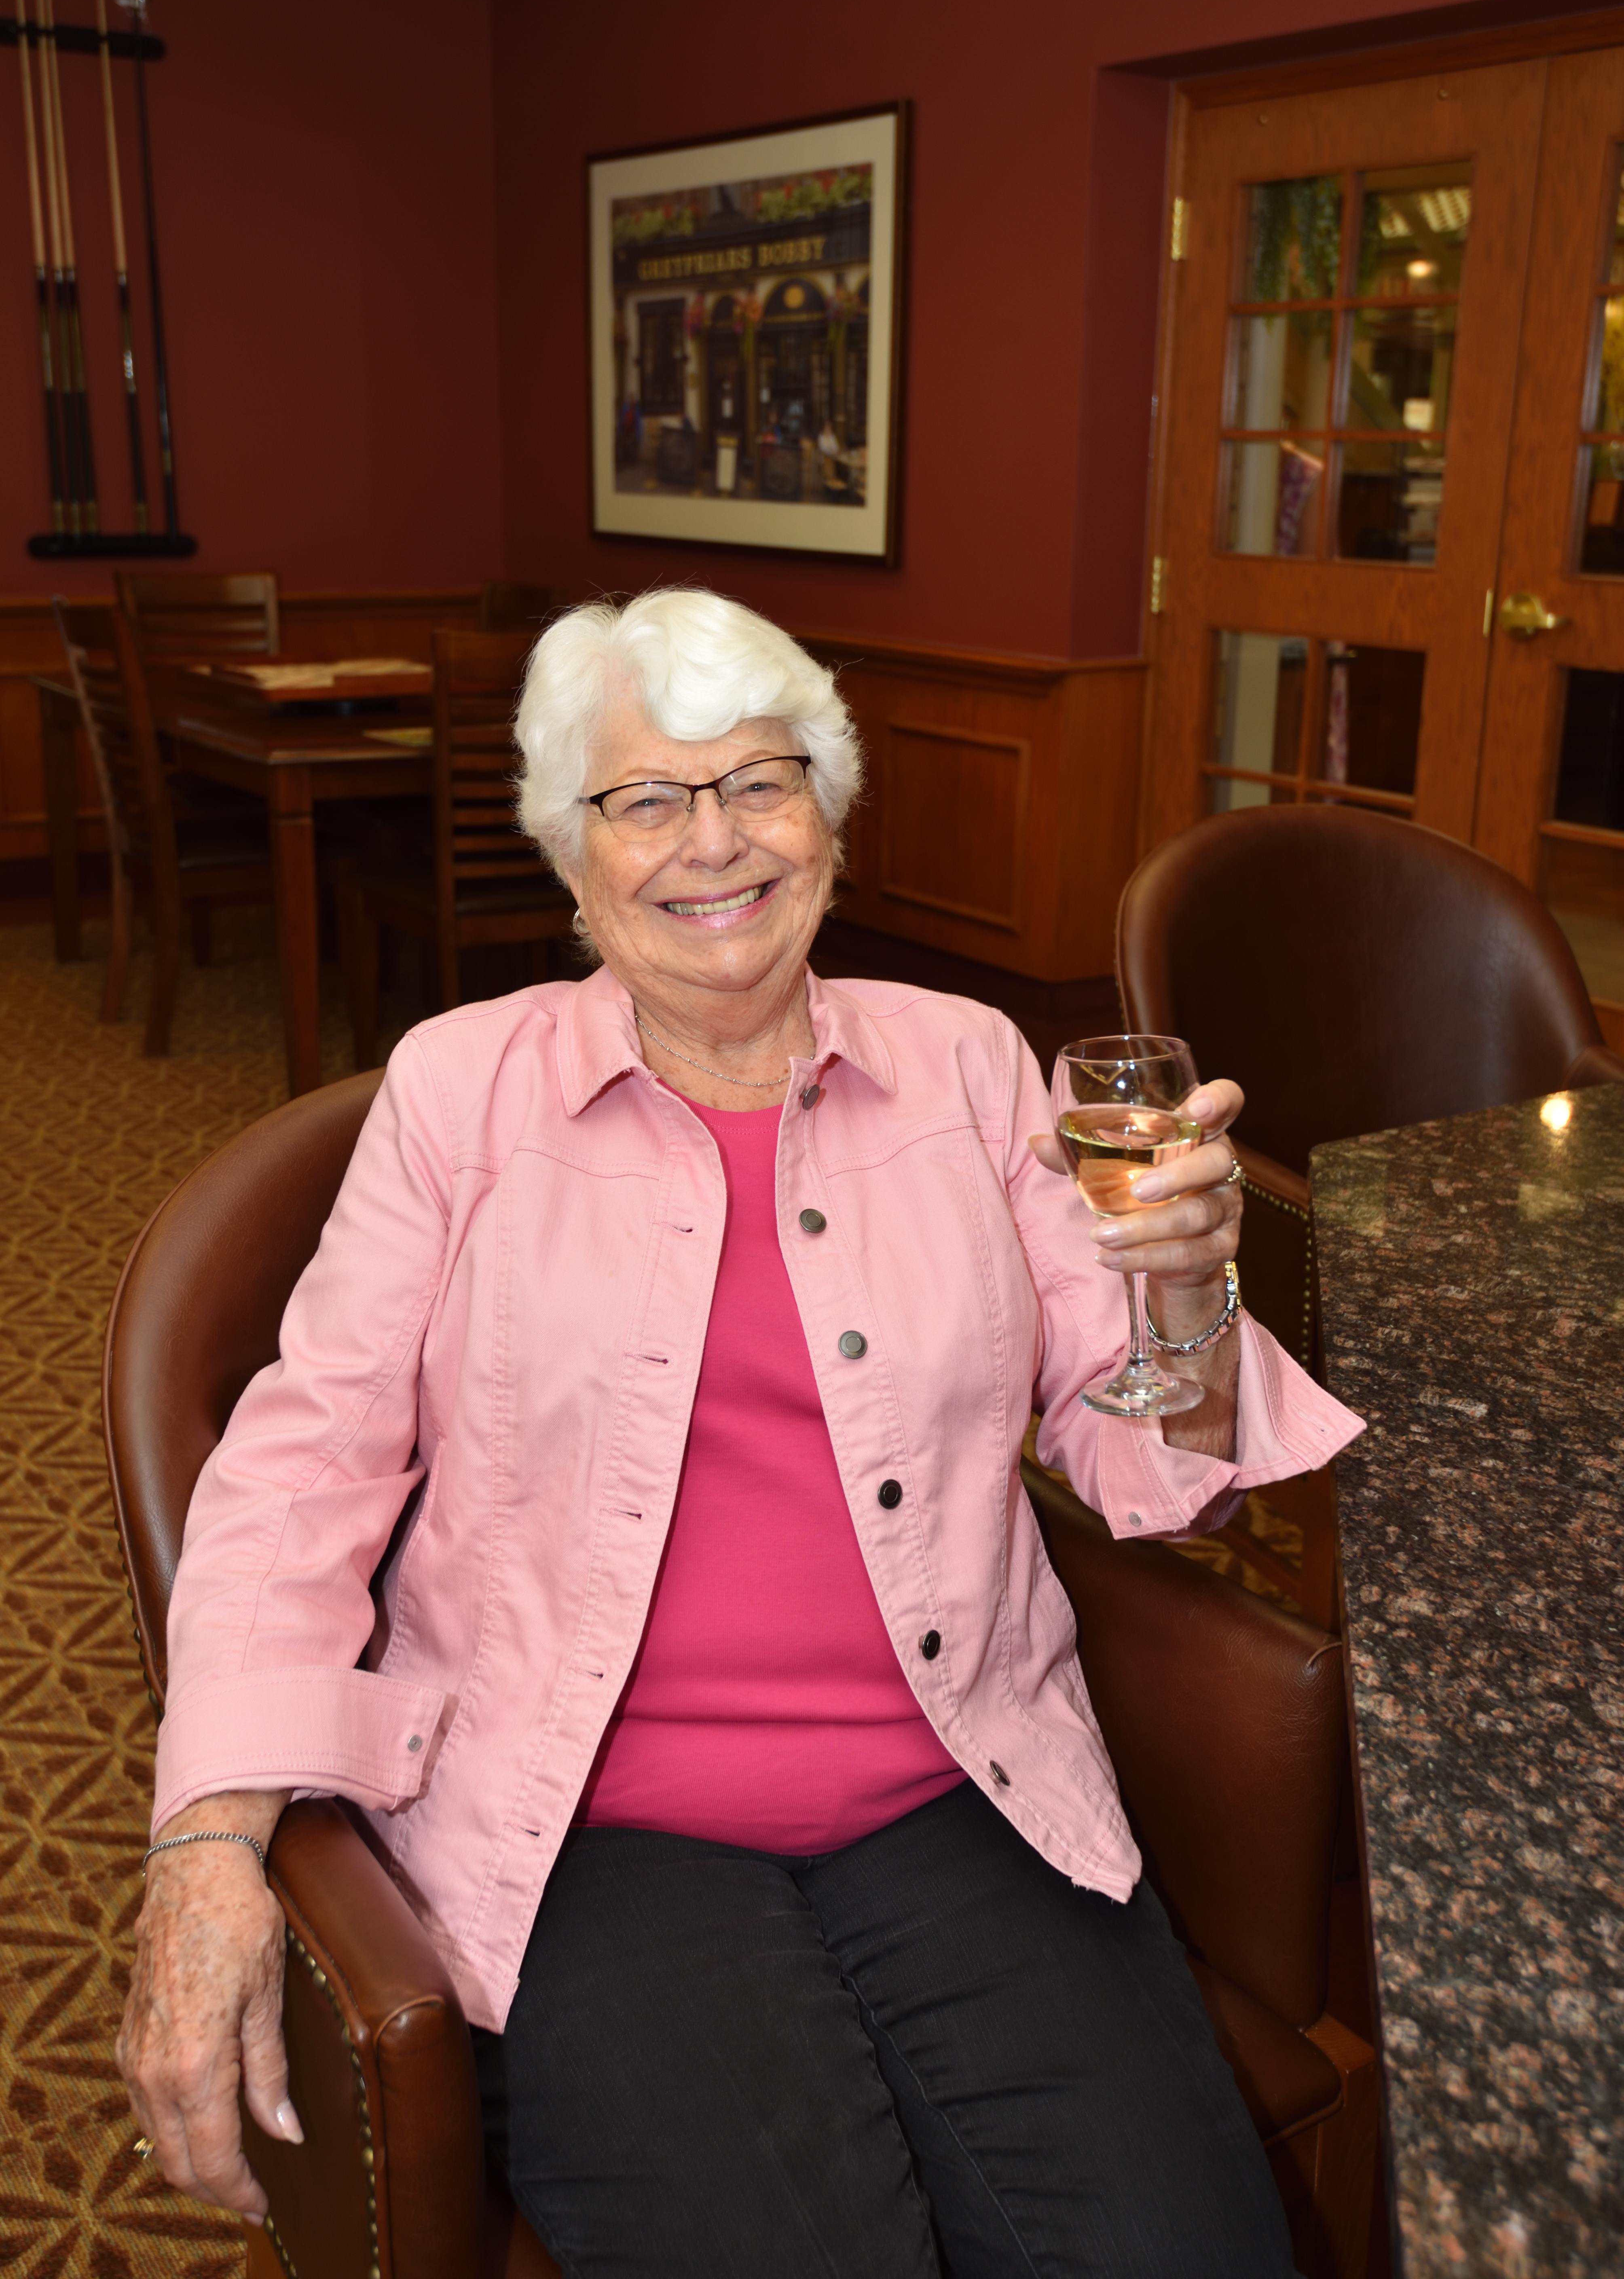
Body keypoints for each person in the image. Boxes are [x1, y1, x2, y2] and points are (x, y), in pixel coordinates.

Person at [119, 589, 1362, 2276]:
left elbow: (1143, 1459)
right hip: (598, 1833)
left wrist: (1184, 1292)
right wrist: (208, 1837)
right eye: (643, 799)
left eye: (760, 781)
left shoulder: (971, 1070)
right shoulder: (455, 1094)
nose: (710, 841)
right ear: (573, 860)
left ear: (829, 823)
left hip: (965, 1782)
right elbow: (301, 1464)